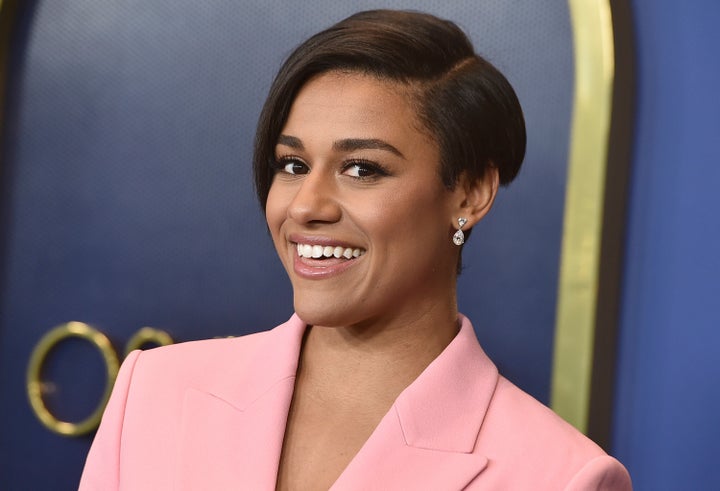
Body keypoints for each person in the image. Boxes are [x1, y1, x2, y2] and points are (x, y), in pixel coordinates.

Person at [80, 9, 631, 490]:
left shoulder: (560, 477)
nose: (306, 206)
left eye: (362, 169)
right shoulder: (154, 393)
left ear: (470, 192)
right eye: (293, 166)